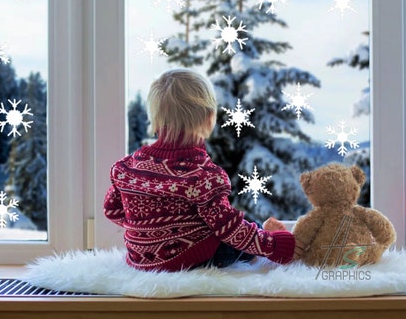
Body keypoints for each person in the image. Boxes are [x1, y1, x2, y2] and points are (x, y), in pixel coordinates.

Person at [104, 68, 302, 272]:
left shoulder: (126, 168)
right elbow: (229, 230)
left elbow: (112, 210)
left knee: (222, 221)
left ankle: (256, 233)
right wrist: (277, 246)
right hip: (192, 260)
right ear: (209, 117)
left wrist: (149, 231)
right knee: (240, 226)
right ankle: (266, 234)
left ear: (155, 117)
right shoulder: (203, 176)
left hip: (140, 259)